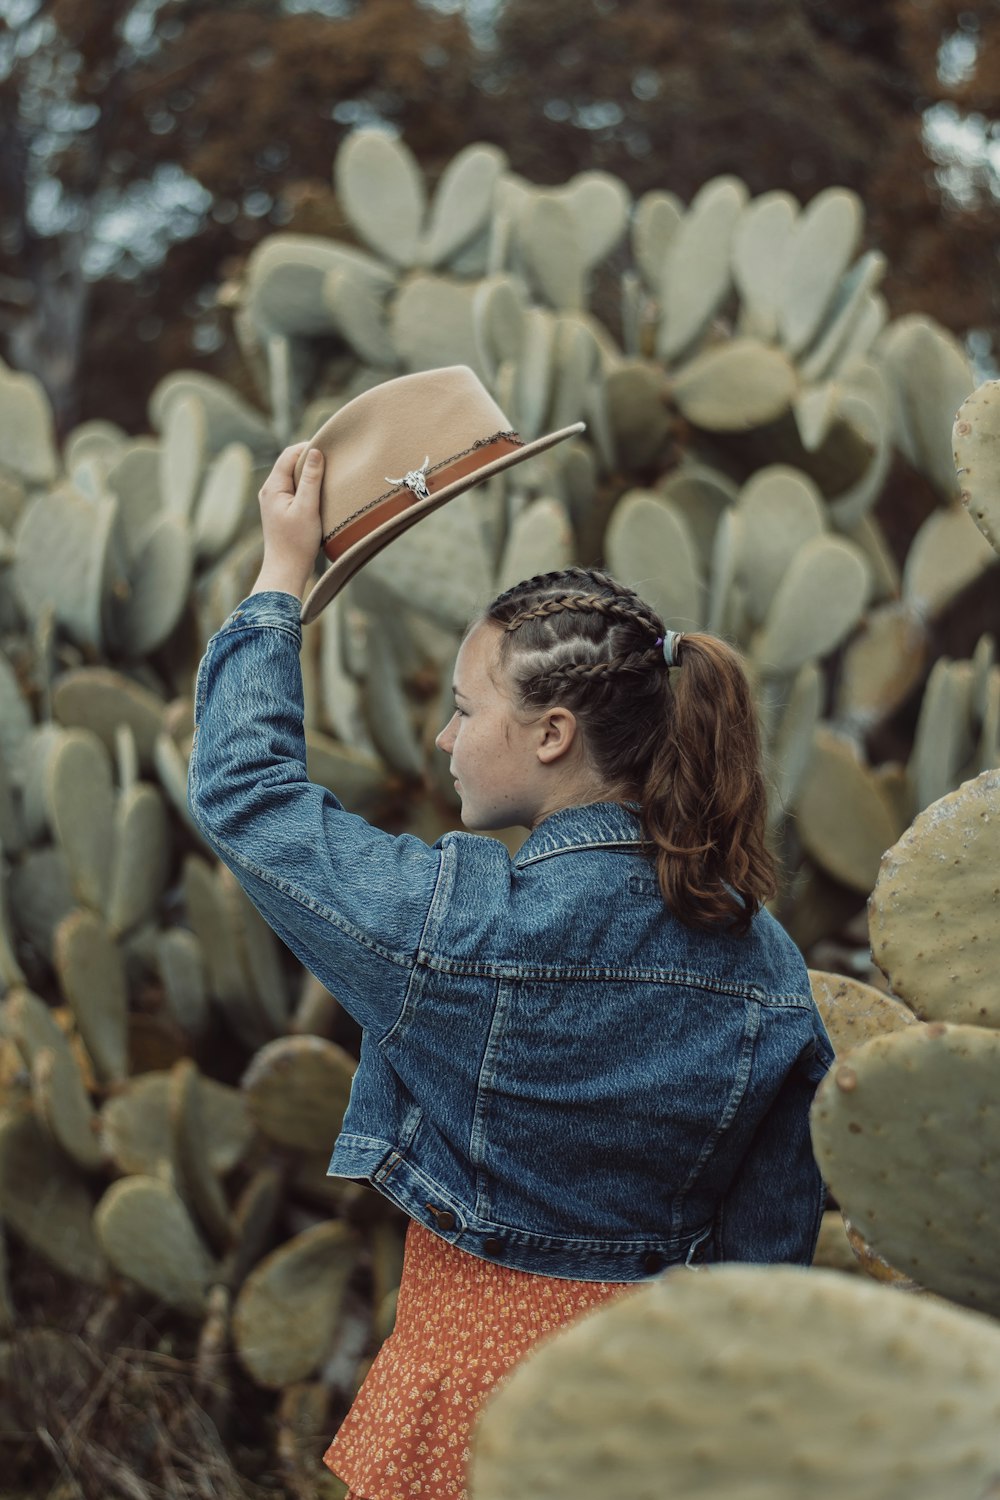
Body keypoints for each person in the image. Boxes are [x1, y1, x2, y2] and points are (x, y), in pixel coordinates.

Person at [188, 442, 834, 1500]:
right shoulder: (767, 968)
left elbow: (247, 794)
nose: (443, 735)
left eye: (463, 706)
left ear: (551, 732)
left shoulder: (459, 926)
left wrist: (280, 574)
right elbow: (761, 1268)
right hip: (658, 1421)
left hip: (470, 1408)